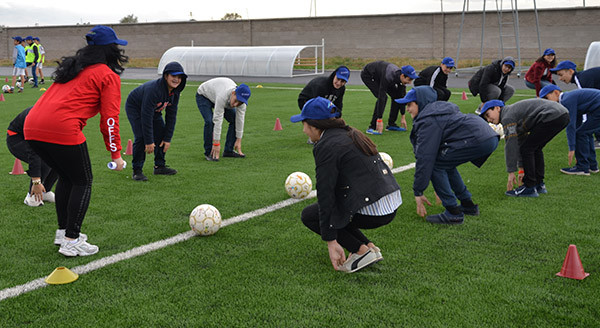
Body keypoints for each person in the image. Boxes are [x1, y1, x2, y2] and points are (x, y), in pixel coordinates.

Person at [23, 25, 128, 257]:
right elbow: (110, 119)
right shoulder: (107, 75)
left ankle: (63, 234)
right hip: (61, 128)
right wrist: (116, 154)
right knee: (83, 181)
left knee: (68, 179)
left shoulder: (74, 68)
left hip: (31, 126)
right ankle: (72, 239)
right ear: (111, 50)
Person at [290, 97, 401, 273]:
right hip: (390, 202)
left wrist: (331, 241)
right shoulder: (349, 132)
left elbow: (326, 194)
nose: (303, 130)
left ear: (313, 125)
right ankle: (369, 247)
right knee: (339, 205)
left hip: (375, 209)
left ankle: (361, 251)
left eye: (303, 124)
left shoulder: (326, 145)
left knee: (310, 215)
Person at [398, 86, 499, 224]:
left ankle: (453, 212)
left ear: (421, 102)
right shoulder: (436, 112)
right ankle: (467, 205)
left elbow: (425, 158)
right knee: (446, 163)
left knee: (435, 165)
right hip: (487, 135)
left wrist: (418, 191)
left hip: (478, 138)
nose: (407, 109)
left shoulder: (428, 120)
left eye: (410, 104)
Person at [478, 98, 569, 197]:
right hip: (562, 115)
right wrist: (521, 170)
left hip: (552, 115)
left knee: (528, 148)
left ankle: (530, 187)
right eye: (486, 119)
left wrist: (511, 172)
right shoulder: (513, 114)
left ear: (497, 108)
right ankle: (539, 184)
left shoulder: (507, 117)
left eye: (488, 115)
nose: (489, 120)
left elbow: (510, 144)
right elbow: (520, 141)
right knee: (534, 148)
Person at [125, 61, 187, 181]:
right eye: (174, 76)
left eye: (179, 77)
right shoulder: (153, 90)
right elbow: (146, 116)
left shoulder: (175, 93)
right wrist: (149, 141)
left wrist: (167, 138)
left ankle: (159, 166)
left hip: (154, 110)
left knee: (162, 134)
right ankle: (137, 170)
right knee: (141, 136)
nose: (177, 80)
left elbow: (171, 116)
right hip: (136, 107)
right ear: (166, 76)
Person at [540, 85, 600, 175]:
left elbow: (570, 125)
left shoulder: (566, 100)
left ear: (556, 92)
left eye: (546, 97)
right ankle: (592, 165)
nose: (547, 102)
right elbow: (577, 123)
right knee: (586, 132)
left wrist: (572, 149)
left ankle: (582, 167)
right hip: (596, 108)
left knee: (581, 133)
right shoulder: (569, 98)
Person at [7, 107, 58, 206]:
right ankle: (31, 196)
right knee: (44, 161)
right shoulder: (38, 117)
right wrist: (36, 181)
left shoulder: (57, 115)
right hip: (16, 138)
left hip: (33, 135)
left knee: (58, 160)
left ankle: (45, 192)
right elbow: (33, 152)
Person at [196, 77, 251, 161]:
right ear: (233, 93)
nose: (236, 105)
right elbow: (218, 120)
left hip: (218, 95)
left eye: (240, 103)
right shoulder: (223, 96)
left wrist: (239, 140)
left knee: (235, 120)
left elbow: (240, 120)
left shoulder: (242, 103)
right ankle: (210, 152)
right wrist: (216, 143)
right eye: (236, 100)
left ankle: (228, 151)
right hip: (204, 96)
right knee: (209, 121)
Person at [550, 60, 600, 147]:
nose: (560, 79)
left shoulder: (581, 79)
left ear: (570, 71)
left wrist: (584, 124)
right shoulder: (582, 77)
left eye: (561, 75)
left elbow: (588, 109)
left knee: (593, 117)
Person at [361, 61, 419, 134]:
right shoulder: (388, 76)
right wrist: (380, 119)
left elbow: (402, 97)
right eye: (409, 79)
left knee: (396, 96)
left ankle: (391, 124)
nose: (410, 83)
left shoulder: (400, 78)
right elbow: (381, 97)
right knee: (383, 97)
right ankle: (372, 127)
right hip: (368, 75)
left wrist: (403, 116)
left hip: (380, 75)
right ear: (402, 76)